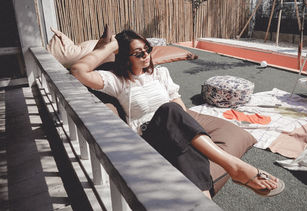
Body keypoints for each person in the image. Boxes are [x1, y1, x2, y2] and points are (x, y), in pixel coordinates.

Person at [70, 29, 285, 199]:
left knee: (183, 141)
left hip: (172, 135)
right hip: (147, 140)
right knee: (169, 110)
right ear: (126, 57)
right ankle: (234, 167)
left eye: (147, 49)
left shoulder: (160, 74)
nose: (146, 55)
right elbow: (79, 71)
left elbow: (178, 104)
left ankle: (204, 201)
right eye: (138, 53)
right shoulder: (117, 81)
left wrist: (189, 134)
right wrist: (114, 45)